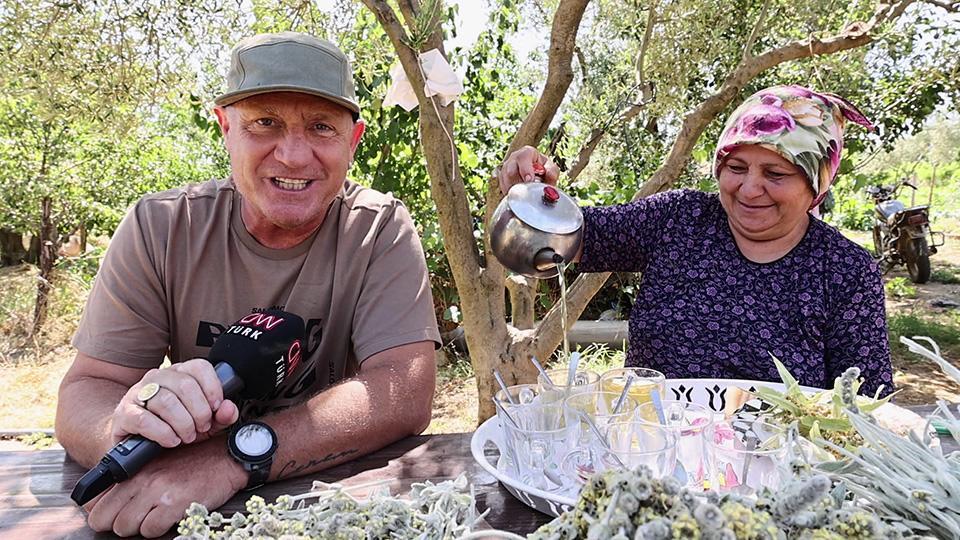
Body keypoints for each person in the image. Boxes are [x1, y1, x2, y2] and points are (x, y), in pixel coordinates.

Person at [55, 32, 440, 538]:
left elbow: (403, 391)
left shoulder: (379, 229)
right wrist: (123, 429)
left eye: (321, 127)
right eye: (265, 122)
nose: (294, 155)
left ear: (353, 141)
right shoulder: (161, 226)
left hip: (329, 511)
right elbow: (86, 389)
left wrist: (231, 458)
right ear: (225, 128)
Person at [498, 85, 893, 397]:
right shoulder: (679, 219)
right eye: (736, 167)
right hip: (652, 458)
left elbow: (864, 403)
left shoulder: (845, 271)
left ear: (816, 185)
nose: (750, 188)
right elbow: (565, 239)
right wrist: (535, 196)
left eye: (775, 174)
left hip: (778, 479)